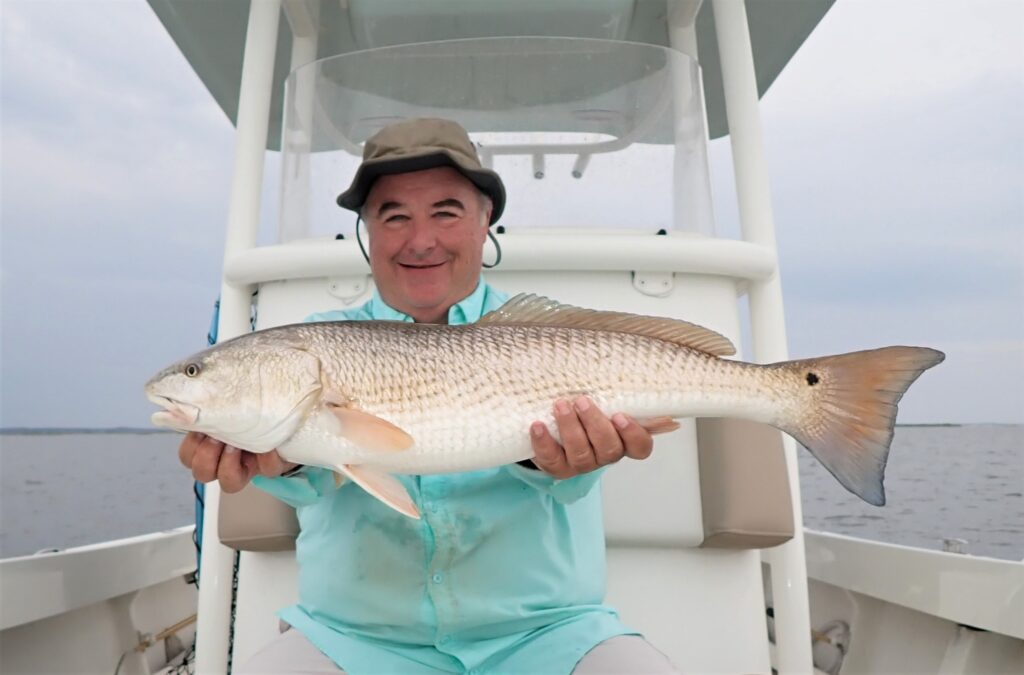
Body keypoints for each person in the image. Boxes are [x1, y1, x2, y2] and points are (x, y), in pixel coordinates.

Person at [179, 118, 679, 674]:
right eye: (394, 216)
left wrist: (560, 462)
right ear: (366, 228)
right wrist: (284, 461)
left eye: (446, 212)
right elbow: (308, 483)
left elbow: (570, 489)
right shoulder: (315, 342)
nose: (421, 241)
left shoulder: (546, 339)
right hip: (350, 641)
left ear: (485, 218)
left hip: (551, 636)